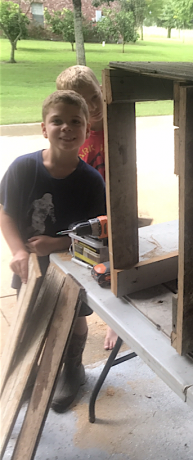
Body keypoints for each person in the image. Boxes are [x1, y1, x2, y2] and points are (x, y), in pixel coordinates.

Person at [0, 90, 106, 412]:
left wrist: (57, 244)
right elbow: (6, 213)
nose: (66, 127)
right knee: (29, 318)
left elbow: (100, 232)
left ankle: (72, 368)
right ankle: (29, 371)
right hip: (30, 266)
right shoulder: (23, 169)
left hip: (73, 264)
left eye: (75, 121)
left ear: (87, 129)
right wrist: (19, 252)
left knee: (73, 317)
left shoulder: (92, 182)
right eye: (57, 121)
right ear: (44, 128)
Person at [56, 65, 118, 350]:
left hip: (114, 206)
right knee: (87, 264)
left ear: (102, 90)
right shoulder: (74, 134)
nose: (94, 106)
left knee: (117, 262)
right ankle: (79, 321)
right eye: (84, 102)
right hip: (84, 212)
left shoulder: (116, 125)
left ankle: (115, 322)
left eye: (95, 96)